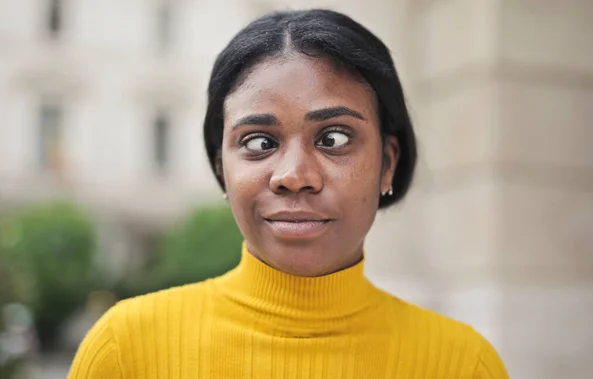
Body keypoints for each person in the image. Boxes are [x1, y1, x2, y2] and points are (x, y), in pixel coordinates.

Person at [69, 9, 509, 378]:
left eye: (334, 139)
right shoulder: (125, 350)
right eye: (260, 142)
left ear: (387, 162)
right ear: (222, 166)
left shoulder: (461, 364)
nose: (295, 176)